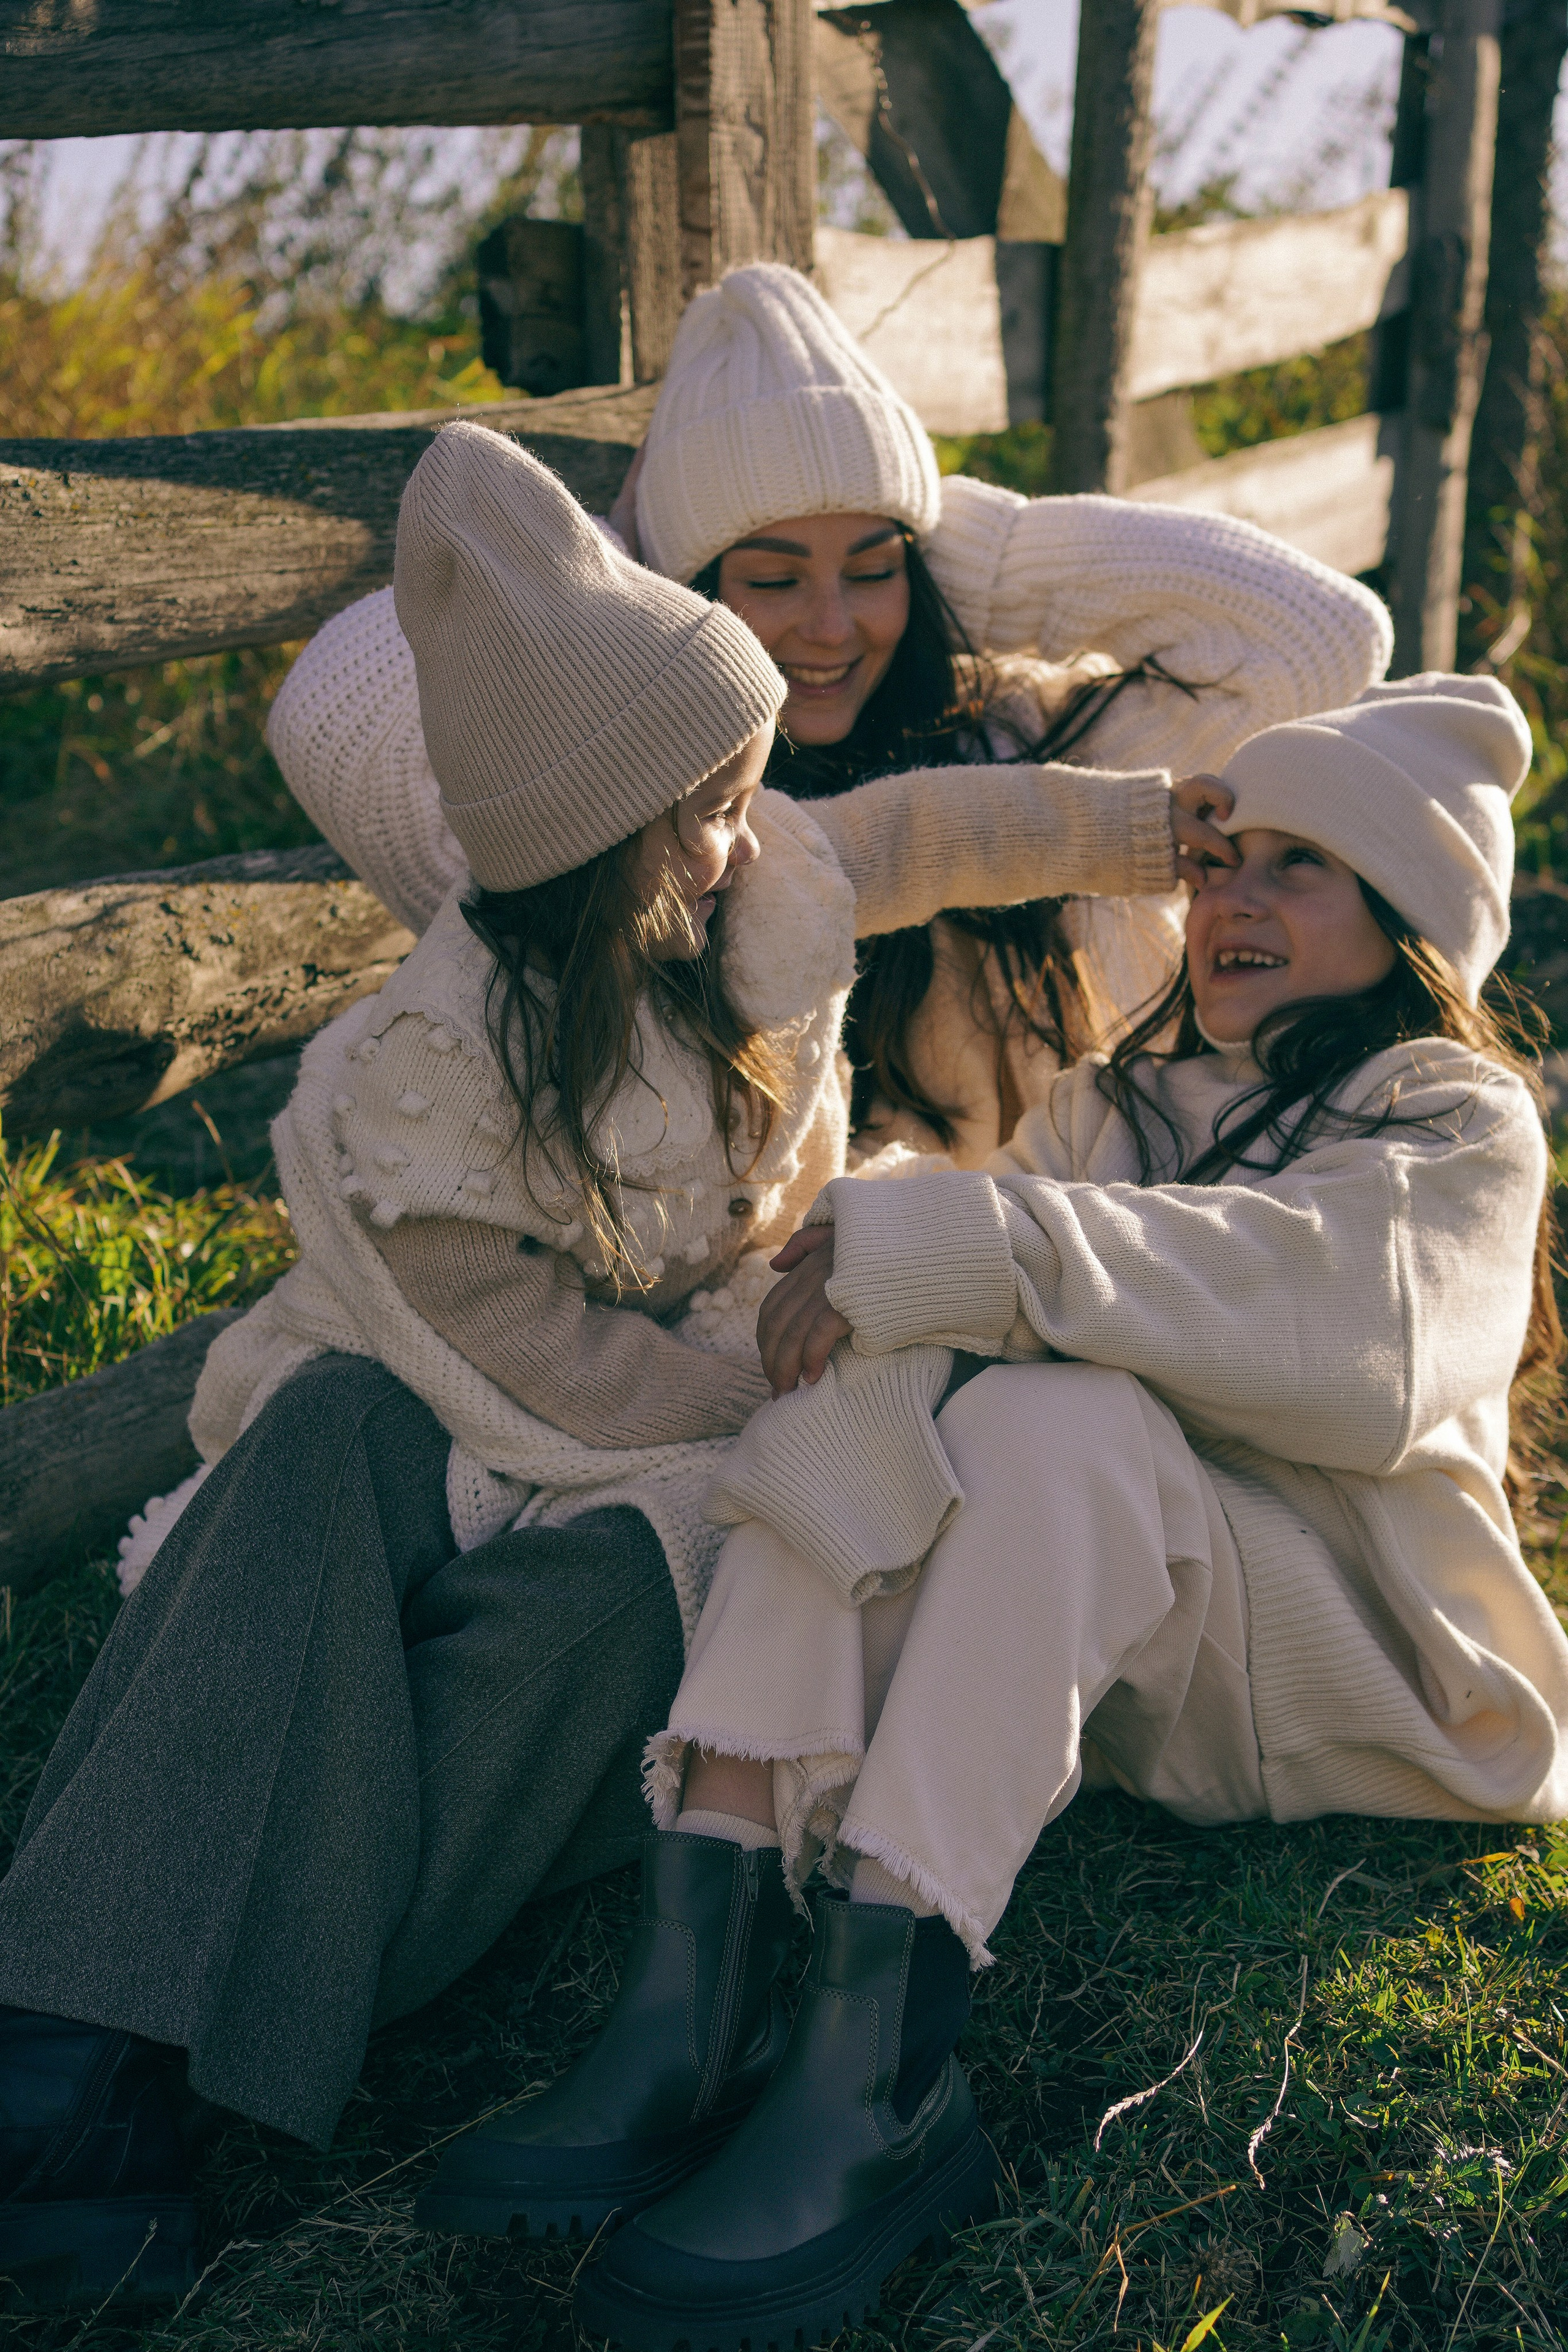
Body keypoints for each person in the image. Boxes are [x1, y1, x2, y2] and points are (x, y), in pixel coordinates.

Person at [0, 419, 1234, 2312]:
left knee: (623, 1589)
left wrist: (1159, 827)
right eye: (709, 808)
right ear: (592, 838)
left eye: (747, 796)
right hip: (466, 1393)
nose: (749, 836)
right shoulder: (439, 1054)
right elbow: (503, 1337)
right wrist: (724, 1412)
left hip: (677, 1426)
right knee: (318, 1437)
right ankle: (67, 2057)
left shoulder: (756, 889)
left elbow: (928, 835)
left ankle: (228, 1982)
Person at [413, 673, 1568, 2352]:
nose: (1235, 896)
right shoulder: (1114, 1105)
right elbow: (970, 1266)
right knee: (873, 1379)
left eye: (1303, 869)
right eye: (1227, 857)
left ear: (1410, 925)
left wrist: (984, 1255)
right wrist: (883, 1279)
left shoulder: (1452, 1124)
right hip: (1149, 1659)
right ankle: (709, 1957)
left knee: (1056, 1408)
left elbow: (1341, 1335)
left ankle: (877, 2066)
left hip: (1365, 1676)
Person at [270, 263, 1393, 1166]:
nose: (830, 627)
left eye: (871, 570)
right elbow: (336, 711)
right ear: (694, 594)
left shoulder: (1014, 738)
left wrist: (957, 551)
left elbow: (1320, 640)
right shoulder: (648, 849)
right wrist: (622, 577)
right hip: (795, 1347)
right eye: (768, 579)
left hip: (1063, 1279)